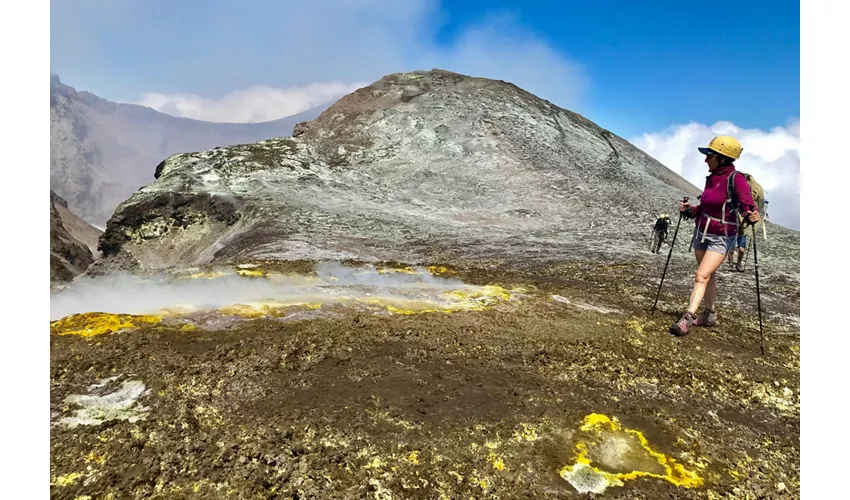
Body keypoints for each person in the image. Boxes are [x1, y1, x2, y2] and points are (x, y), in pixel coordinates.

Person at [669, 135, 761, 336]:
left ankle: (688, 318)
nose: (705, 160)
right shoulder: (712, 178)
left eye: (710, 155)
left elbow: (746, 204)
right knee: (707, 275)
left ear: (722, 158)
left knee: (701, 275)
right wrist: (689, 211)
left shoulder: (735, 179)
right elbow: (704, 208)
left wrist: (751, 213)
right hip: (702, 232)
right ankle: (710, 315)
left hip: (721, 236)